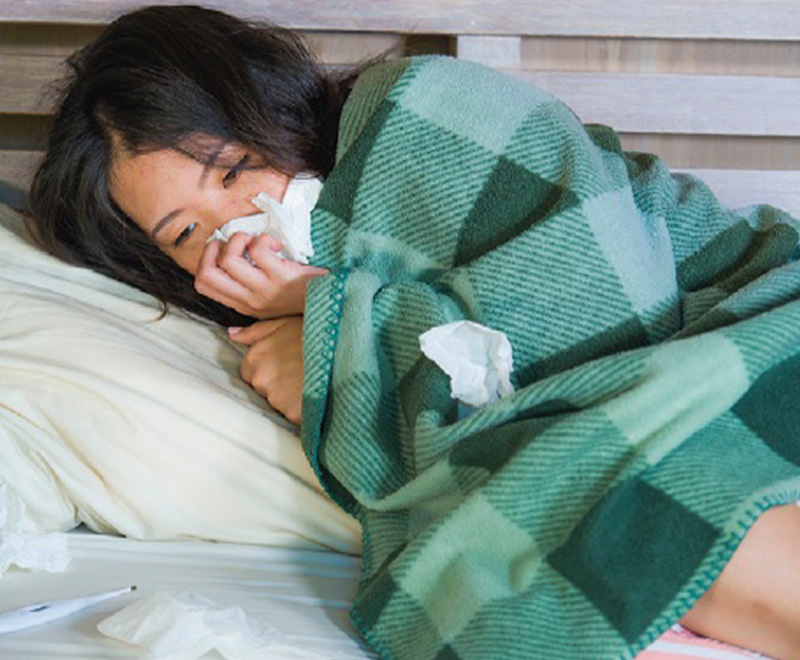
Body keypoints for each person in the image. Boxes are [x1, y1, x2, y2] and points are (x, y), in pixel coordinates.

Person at [24, 5, 800, 660]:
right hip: (650, 413)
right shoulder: (267, 331)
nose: (239, 225)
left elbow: (601, 320)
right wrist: (327, 341)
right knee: (626, 522)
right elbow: (464, 449)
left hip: (756, 313)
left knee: (637, 504)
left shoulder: (423, 107)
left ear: (272, 108)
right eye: (188, 231)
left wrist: (325, 315)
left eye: (234, 170)